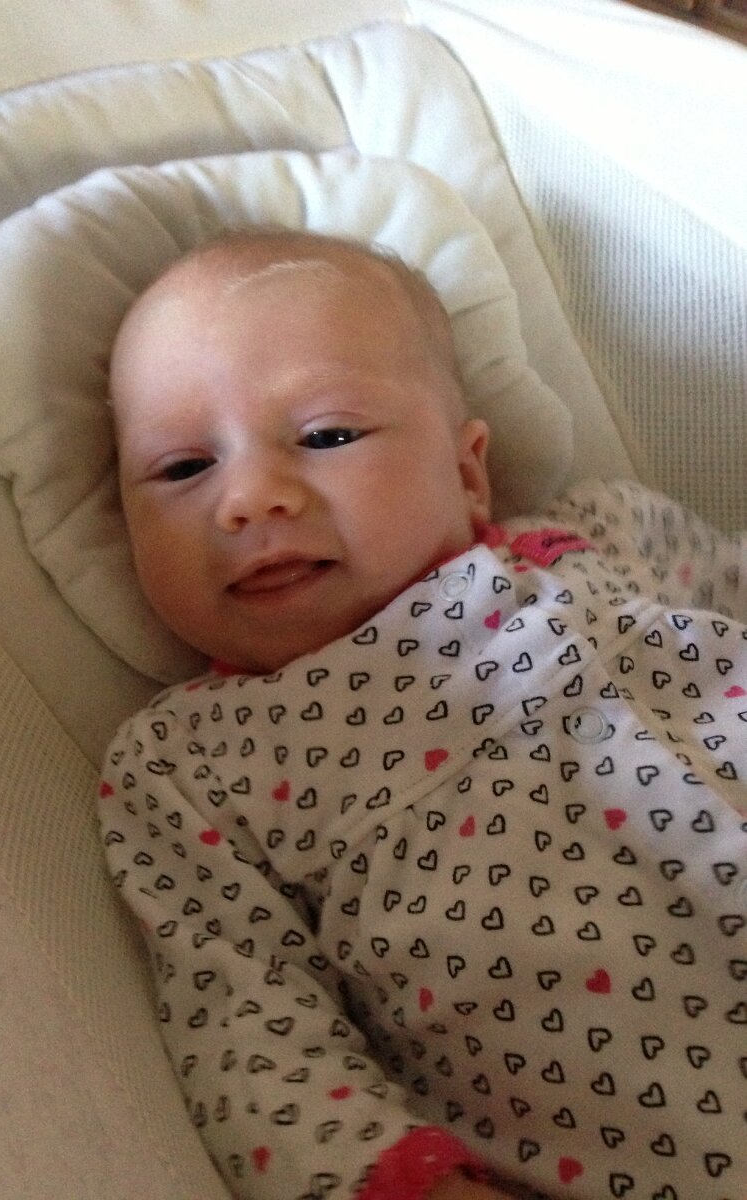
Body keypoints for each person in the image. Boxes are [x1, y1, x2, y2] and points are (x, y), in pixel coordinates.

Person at [99, 229, 746, 1200]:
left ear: (469, 471)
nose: (249, 498)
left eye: (326, 436)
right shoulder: (193, 758)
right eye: (183, 467)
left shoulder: (601, 531)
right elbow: (243, 1018)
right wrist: (399, 1180)